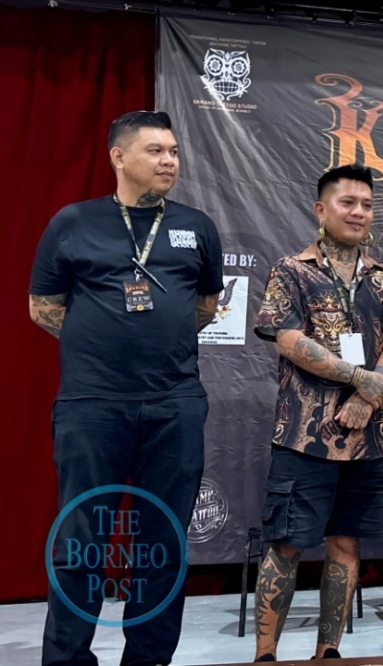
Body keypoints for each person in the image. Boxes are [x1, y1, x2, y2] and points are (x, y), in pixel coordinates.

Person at [29, 110, 224, 666]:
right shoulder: (73, 222)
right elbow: (44, 308)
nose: (169, 161)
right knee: (80, 542)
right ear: (119, 156)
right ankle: (67, 660)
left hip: (175, 403)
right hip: (92, 405)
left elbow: (205, 307)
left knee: (163, 545)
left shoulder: (197, 225)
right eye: (156, 151)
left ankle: (148, 659)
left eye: (174, 151)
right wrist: (106, 343)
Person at [251, 164, 383, 661]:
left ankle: (329, 651)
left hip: (370, 439)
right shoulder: (292, 271)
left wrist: (367, 397)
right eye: (347, 202)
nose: (358, 211)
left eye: (366, 204)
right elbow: (289, 340)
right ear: (321, 209)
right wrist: (357, 378)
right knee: (287, 544)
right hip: (304, 435)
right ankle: (264, 654)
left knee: (346, 545)